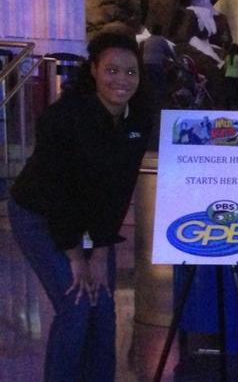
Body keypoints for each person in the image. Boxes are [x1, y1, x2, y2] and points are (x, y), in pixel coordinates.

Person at [9, 31, 152, 382]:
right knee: (75, 305)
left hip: (89, 221)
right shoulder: (65, 118)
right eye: (112, 70)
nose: (122, 80)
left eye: (130, 72)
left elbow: (119, 190)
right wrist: (76, 257)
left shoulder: (137, 119)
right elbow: (58, 193)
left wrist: (101, 252)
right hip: (39, 215)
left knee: (102, 306)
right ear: (94, 70)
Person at [141, 24, 175, 107]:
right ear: (160, 31)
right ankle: (160, 103)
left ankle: (147, 100)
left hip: (145, 64)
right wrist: (175, 59)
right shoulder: (161, 40)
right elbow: (169, 52)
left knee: (149, 82)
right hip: (156, 64)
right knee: (160, 83)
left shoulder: (148, 40)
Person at [224, 43, 238, 110]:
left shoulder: (227, 57)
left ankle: (228, 105)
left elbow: (225, 67)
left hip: (228, 75)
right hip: (236, 75)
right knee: (237, 91)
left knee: (229, 91)